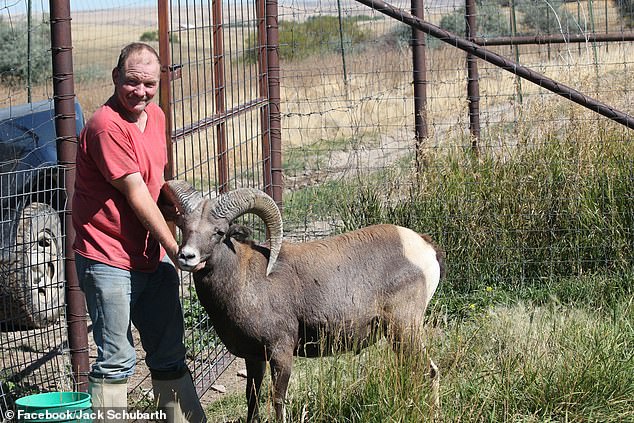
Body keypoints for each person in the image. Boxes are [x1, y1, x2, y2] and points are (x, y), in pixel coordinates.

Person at [72, 42, 206, 423]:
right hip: (108, 256)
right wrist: (175, 247)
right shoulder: (105, 126)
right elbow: (135, 194)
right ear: (116, 78)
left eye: (149, 84)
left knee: (169, 353)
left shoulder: (156, 116)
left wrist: (185, 220)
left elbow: (156, 182)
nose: (141, 92)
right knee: (116, 360)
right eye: (132, 82)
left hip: (148, 255)